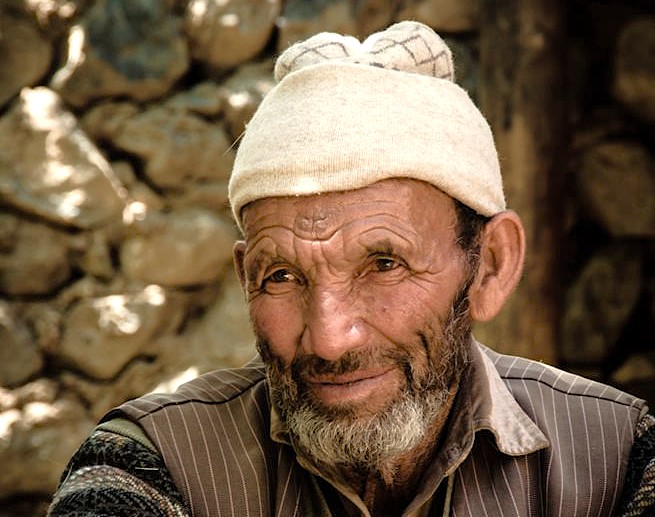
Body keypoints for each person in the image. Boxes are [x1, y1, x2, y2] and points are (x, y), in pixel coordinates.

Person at [49, 21, 655, 517]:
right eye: (282, 276)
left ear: (489, 266)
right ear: (244, 279)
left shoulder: (620, 456)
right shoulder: (156, 463)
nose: (330, 338)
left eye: (384, 264)